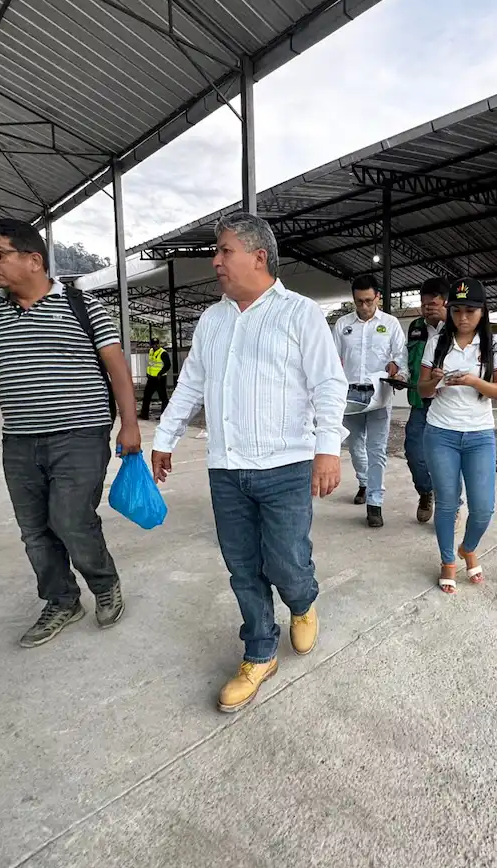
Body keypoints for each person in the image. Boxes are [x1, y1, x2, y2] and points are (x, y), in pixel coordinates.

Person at [150, 213, 346, 714]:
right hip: (226, 467)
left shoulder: (300, 314)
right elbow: (191, 382)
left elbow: (328, 383)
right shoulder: (213, 320)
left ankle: (302, 602)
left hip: (286, 465)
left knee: (285, 561)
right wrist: (165, 436)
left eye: (224, 251)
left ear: (258, 256)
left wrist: (327, 449)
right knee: (242, 567)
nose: (215, 261)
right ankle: (260, 652)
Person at [0, 218, 140, 648]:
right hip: (21, 440)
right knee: (34, 529)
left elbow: (117, 368)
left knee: (70, 519)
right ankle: (62, 600)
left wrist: (130, 424)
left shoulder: (84, 307)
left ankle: (104, 584)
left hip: (81, 434)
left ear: (33, 260)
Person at [418, 278, 497, 594]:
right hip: (441, 433)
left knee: (483, 507)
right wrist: (435, 380)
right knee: (447, 503)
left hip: (479, 436)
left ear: (483, 311)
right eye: (456, 310)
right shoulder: (437, 343)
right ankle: (448, 560)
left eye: (470, 310)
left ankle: (468, 547)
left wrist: (473, 381)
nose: (462, 317)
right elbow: (422, 390)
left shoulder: (495, 344)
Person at [333, 275, 406, 528]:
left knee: (377, 451)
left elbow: (400, 358)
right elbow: (333, 362)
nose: (363, 307)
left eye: (367, 301)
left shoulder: (391, 324)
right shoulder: (343, 325)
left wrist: (396, 367)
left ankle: (375, 503)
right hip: (351, 395)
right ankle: (364, 481)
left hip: (379, 396)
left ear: (378, 297)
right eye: (358, 302)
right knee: (354, 447)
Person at [404, 278, 448, 523]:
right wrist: (399, 372)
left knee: (447, 455)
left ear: (445, 302)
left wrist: (445, 321)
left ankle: (450, 504)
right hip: (421, 400)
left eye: (433, 303)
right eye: (424, 303)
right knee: (413, 450)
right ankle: (426, 492)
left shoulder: (456, 326)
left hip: (447, 402)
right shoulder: (416, 327)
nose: (428, 308)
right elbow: (406, 356)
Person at [140, 338, 169, 420]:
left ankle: (164, 416)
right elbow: (151, 364)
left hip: (160, 379)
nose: (155, 346)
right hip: (151, 378)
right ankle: (144, 414)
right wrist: (148, 373)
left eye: (157, 344)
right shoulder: (151, 351)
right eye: (153, 344)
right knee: (146, 396)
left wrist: (160, 373)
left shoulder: (163, 353)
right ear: (151, 345)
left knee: (163, 397)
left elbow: (168, 365)